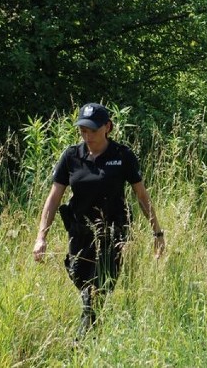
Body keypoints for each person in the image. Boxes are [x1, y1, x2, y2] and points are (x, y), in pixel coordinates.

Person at [33, 103, 165, 337]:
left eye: (92, 130)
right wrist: (41, 237)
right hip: (80, 231)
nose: (87, 135)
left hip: (113, 231)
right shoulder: (71, 156)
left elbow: (141, 195)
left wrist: (157, 233)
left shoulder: (122, 156)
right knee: (78, 276)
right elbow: (54, 198)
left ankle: (83, 340)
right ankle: (95, 327)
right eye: (83, 130)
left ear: (107, 127)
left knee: (100, 287)